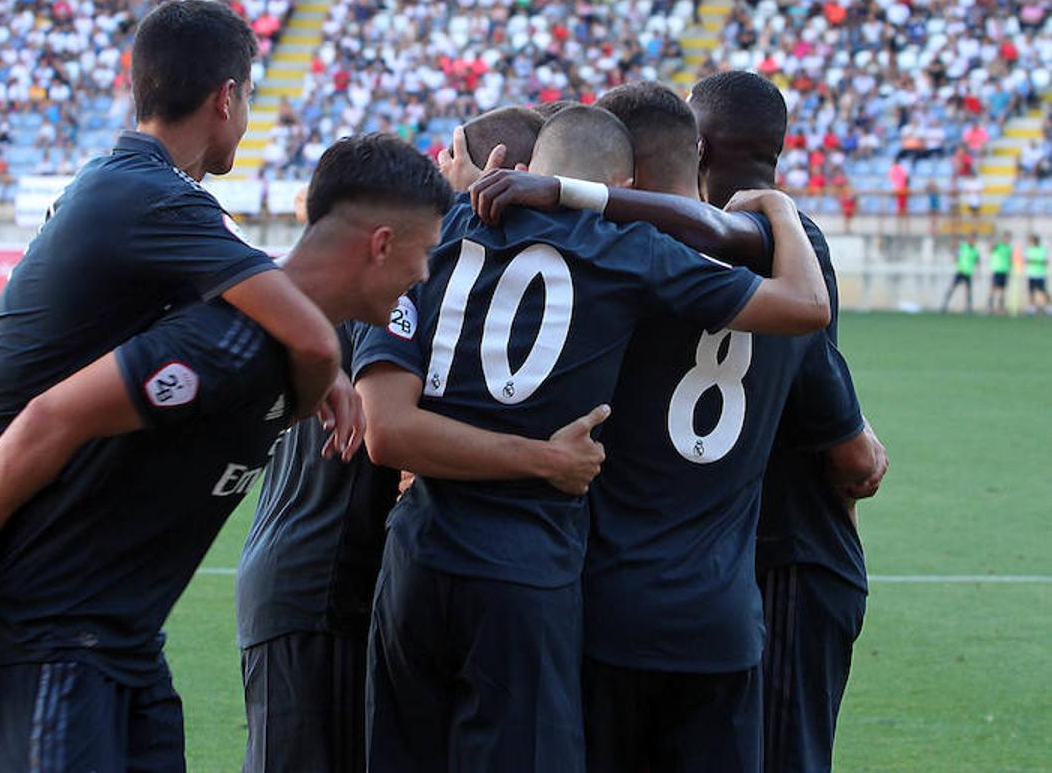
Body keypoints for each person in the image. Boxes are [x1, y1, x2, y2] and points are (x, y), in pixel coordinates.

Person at [0, 0, 356, 773]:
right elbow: (311, 332)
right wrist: (323, 383)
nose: (246, 117)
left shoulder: (138, 186)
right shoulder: (156, 197)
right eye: (248, 98)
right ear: (226, 97)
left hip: (2, 510)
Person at [0, 135, 457, 769]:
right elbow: (47, 418)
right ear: (381, 245)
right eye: (423, 253)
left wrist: (323, 369)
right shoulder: (231, 342)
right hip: (60, 641)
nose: (423, 275)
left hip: (129, 647)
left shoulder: (293, 351)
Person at [352, 84, 831, 773]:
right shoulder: (627, 251)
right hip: (526, 568)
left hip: (413, 559)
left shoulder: (438, 232)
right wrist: (782, 209)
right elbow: (807, 305)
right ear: (622, 185)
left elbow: (388, 433)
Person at [235, 109, 592, 773]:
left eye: (451, 153)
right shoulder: (403, 289)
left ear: (499, 178)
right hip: (318, 585)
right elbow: (391, 433)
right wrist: (544, 461)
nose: (438, 163)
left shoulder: (437, 285)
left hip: (327, 581)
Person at [690, 72, 889, 773]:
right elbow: (851, 453)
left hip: (763, 558)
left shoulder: (671, 239)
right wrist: (860, 446)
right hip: (781, 551)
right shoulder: (789, 239)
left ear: (700, 144)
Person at [941, 237, 978, 313]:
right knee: (952, 288)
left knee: (968, 291)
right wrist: (955, 257)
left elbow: (976, 262)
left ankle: (969, 308)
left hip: (968, 273)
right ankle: (944, 305)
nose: (972, 241)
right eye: (971, 239)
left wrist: (976, 272)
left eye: (974, 240)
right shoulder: (963, 247)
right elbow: (955, 251)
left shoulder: (975, 251)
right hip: (960, 271)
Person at [989, 232, 1013, 315]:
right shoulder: (998, 245)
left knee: (1002, 290)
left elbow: (1010, 259)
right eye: (1006, 238)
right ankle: (990, 307)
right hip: (997, 270)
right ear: (1003, 238)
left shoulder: (1009, 247)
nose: (1007, 239)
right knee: (993, 288)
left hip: (1004, 271)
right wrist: (993, 242)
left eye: (1008, 238)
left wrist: (1010, 269)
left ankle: (1000, 308)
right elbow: (990, 249)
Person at [1027, 234, 1048, 314]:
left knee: (1042, 291)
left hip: (1040, 273)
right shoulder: (1029, 249)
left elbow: (1045, 261)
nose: (1034, 242)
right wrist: (1037, 261)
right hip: (1031, 274)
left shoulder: (1042, 249)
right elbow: (1027, 260)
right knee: (1031, 291)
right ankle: (1032, 307)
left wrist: (1036, 261)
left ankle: (1043, 307)